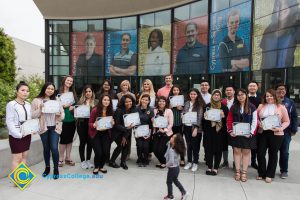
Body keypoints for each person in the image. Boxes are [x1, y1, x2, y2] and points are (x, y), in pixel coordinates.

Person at [31, 82, 64, 179]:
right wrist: (40, 108)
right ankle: (47, 168)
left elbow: (62, 114)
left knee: (54, 148)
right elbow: (33, 115)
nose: (50, 90)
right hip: (43, 128)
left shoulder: (57, 100)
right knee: (46, 148)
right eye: (48, 88)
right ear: (44, 89)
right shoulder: (36, 100)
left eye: (52, 89)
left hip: (55, 127)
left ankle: (56, 169)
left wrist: (60, 115)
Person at [256, 89, 290, 183]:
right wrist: (259, 124)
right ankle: (261, 173)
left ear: (275, 97)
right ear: (265, 97)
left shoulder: (281, 107)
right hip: (263, 132)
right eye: (267, 96)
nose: (269, 98)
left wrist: (280, 128)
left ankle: (270, 174)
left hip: (276, 133)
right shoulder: (261, 106)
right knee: (260, 153)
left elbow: (287, 121)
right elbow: (256, 118)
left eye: (271, 96)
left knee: (273, 154)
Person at [227, 89, 258, 182]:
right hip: (236, 134)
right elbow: (229, 120)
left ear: (246, 95)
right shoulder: (233, 107)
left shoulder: (252, 107)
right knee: (236, 152)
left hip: (247, 134)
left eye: (242, 94)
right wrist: (230, 130)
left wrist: (251, 132)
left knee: (246, 152)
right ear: (236, 97)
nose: (241, 96)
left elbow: (255, 121)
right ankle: (237, 171)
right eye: (238, 95)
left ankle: (244, 172)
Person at [260, 0, 300, 69]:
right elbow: (263, 61)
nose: (282, 8)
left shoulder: (296, 27)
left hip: (287, 76)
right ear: (275, 8)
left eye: (286, 4)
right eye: (278, 5)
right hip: (268, 76)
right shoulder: (268, 30)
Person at [6, 82, 32, 174]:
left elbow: (30, 119)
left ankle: (22, 179)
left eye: (27, 91)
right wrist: (17, 134)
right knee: (17, 157)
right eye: (23, 90)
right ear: (17, 92)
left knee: (24, 156)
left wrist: (32, 129)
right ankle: (16, 181)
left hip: (27, 134)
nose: (25, 92)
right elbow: (9, 121)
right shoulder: (11, 104)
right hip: (15, 135)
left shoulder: (28, 104)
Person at [203, 89, 228, 175]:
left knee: (218, 150)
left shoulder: (224, 107)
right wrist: (205, 116)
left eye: (218, 95)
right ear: (212, 96)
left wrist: (223, 116)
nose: (216, 96)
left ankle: (216, 168)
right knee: (208, 149)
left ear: (220, 97)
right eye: (214, 95)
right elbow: (203, 121)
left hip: (220, 132)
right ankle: (209, 167)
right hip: (209, 131)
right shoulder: (207, 106)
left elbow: (228, 120)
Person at [275, 83, 298, 179]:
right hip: (273, 131)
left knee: (284, 152)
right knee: (273, 151)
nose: (281, 91)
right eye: (279, 89)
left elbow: (294, 116)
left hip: (286, 132)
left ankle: (284, 170)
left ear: (285, 91)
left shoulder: (290, 102)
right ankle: (271, 169)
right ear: (275, 91)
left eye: (283, 89)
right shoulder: (272, 101)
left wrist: (294, 129)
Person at [109, 94, 137, 170]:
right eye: (126, 102)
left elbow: (131, 125)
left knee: (126, 146)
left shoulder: (133, 110)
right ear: (123, 103)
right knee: (121, 145)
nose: (128, 103)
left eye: (130, 101)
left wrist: (125, 136)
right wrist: (126, 129)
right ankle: (112, 161)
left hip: (125, 132)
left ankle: (123, 162)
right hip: (116, 132)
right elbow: (116, 125)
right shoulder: (119, 110)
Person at [89, 94, 114, 174]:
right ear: (101, 101)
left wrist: (113, 123)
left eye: (108, 100)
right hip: (96, 133)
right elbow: (89, 123)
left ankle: (101, 166)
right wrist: (94, 125)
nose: (106, 102)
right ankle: (96, 166)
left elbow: (112, 124)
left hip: (106, 133)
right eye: (104, 100)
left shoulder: (111, 111)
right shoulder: (95, 110)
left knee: (106, 151)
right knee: (98, 152)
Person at [183, 88, 205, 172]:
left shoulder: (199, 104)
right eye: (191, 94)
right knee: (189, 146)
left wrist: (196, 128)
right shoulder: (187, 103)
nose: (192, 95)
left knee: (195, 146)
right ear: (189, 95)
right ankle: (189, 161)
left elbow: (199, 117)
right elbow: (184, 112)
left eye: (194, 94)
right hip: (187, 127)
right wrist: (183, 115)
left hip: (195, 128)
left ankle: (195, 162)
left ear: (197, 95)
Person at [58, 76, 77, 167]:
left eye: (71, 81)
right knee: (63, 140)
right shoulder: (58, 92)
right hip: (62, 119)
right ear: (64, 81)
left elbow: (76, 106)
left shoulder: (73, 93)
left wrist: (73, 108)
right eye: (68, 80)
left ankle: (68, 158)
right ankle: (61, 158)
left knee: (70, 139)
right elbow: (54, 106)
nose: (69, 82)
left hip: (71, 119)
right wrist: (63, 106)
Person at [77, 85, 98, 169]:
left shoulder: (96, 102)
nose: (88, 93)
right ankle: (82, 161)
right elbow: (76, 114)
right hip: (82, 125)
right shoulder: (80, 102)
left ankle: (88, 160)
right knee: (82, 142)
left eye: (90, 91)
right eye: (86, 91)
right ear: (84, 93)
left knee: (90, 143)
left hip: (91, 125)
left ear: (92, 92)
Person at [163, 134, 189, 200]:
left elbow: (171, 161)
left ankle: (170, 196)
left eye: (172, 137)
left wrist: (166, 165)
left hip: (172, 169)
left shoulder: (172, 150)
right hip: (176, 168)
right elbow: (167, 145)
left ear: (175, 141)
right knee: (175, 180)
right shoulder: (176, 148)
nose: (170, 138)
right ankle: (184, 192)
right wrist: (169, 143)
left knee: (168, 182)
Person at [153, 96, 174, 169]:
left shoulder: (169, 111)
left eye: (163, 101)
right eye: (160, 101)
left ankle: (163, 162)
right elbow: (153, 122)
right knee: (155, 149)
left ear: (166, 102)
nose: (161, 103)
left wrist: (164, 130)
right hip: (156, 132)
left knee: (161, 150)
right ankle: (162, 161)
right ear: (157, 102)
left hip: (166, 133)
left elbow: (171, 124)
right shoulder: (154, 110)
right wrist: (152, 120)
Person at [168, 85, 185, 166]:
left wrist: (181, 108)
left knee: (180, 141)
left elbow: (186, 111)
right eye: (174, 90)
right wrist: (169, 106)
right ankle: (171, 158)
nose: (175, 91)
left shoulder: (183, 100)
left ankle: (182, 158)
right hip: (171, 124)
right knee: (171, 141)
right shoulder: (169, 100)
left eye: (177, 90)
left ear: (179, 91)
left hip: (179, 123)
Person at [135, 94, 154, 167]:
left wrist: (150, 132)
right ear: (140, 99)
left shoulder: (151, 109)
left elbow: (152, 122)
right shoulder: (136, 108)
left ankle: (145, 159)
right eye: (143, 99)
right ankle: (140, 159)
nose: (144, 101)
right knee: (139, 145)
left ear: (149, 101)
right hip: (138, 130)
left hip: (147, 130)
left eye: (146, 100)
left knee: (146, 146)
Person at [220, 85, 235, 168]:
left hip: (234, 127)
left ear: (234, 92)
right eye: (227, 90)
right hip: (224, 126)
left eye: (230, 90)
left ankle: (235, 162)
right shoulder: (222, 102)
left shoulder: (237, 101)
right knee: (224, 144)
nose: (228, 91)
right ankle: (225, 161)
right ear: (225, 92)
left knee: (235, 145)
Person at [248, 81, 261, 169]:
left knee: (255, 145)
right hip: (244, 124)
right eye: (250, 86)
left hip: (257, 124)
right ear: (248, 87)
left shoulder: (261, 97)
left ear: (257, 87)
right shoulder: (244, 96)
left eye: (254, 86)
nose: (252, 87)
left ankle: (253, 161)